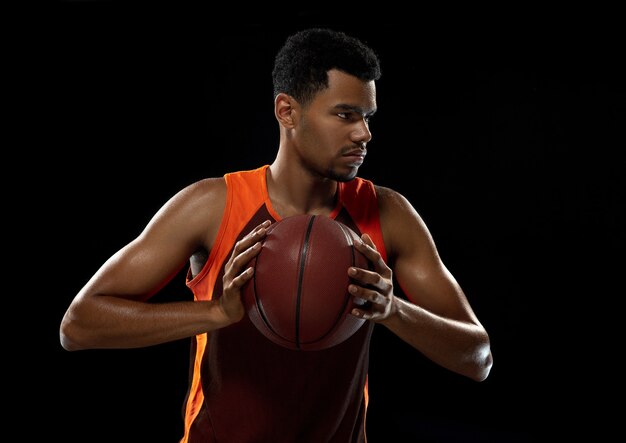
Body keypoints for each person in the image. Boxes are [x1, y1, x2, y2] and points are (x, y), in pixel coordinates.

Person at [60, 27, 493, 442]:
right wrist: (215, 313)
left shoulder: (387, 213)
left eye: (366, 116)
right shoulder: (213, 206)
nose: (364, 134)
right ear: (287, 111)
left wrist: (391, 309)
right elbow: (79, 325)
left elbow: (478, 358)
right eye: (345, 114)